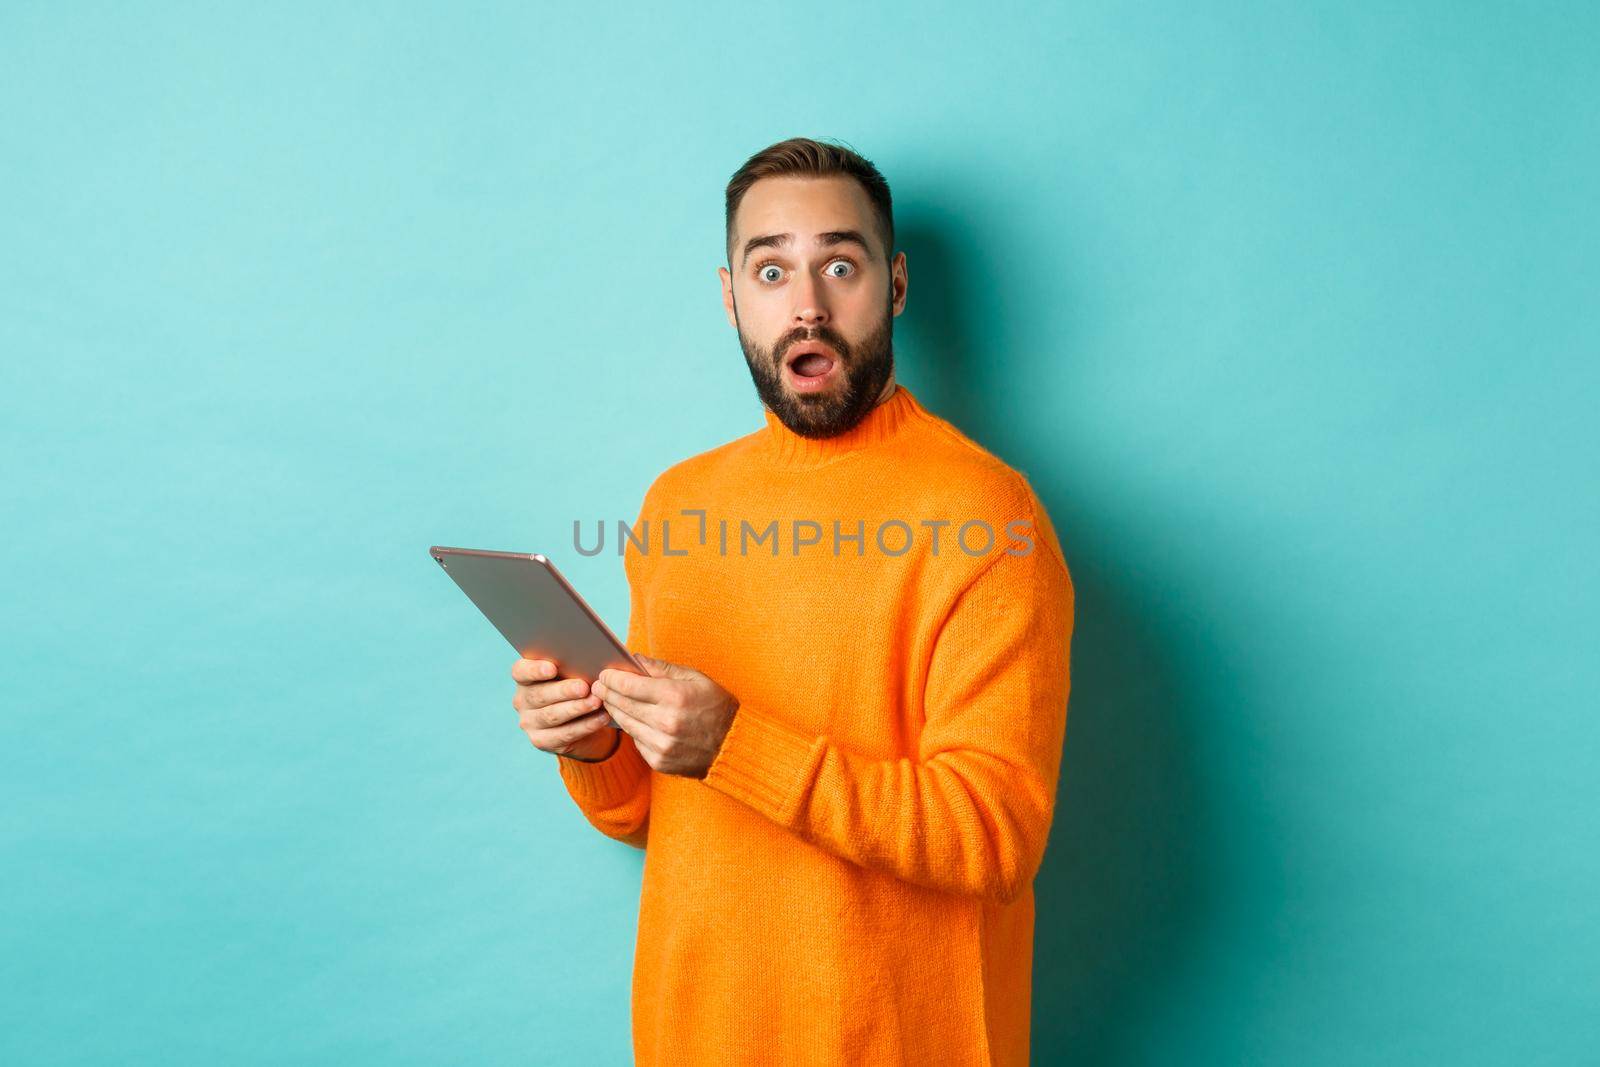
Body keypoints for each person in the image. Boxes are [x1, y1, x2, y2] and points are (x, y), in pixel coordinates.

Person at [510, 136, 1074, 1066]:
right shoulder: (679, 504)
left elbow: (995, 835)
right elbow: (647, 813)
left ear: (893, 285)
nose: (806, 304)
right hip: (696, 1034)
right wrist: (596, 740)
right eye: (771, 269)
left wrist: (734, 743)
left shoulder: (985, 516)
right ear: (732, 297)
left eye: (838, 265)